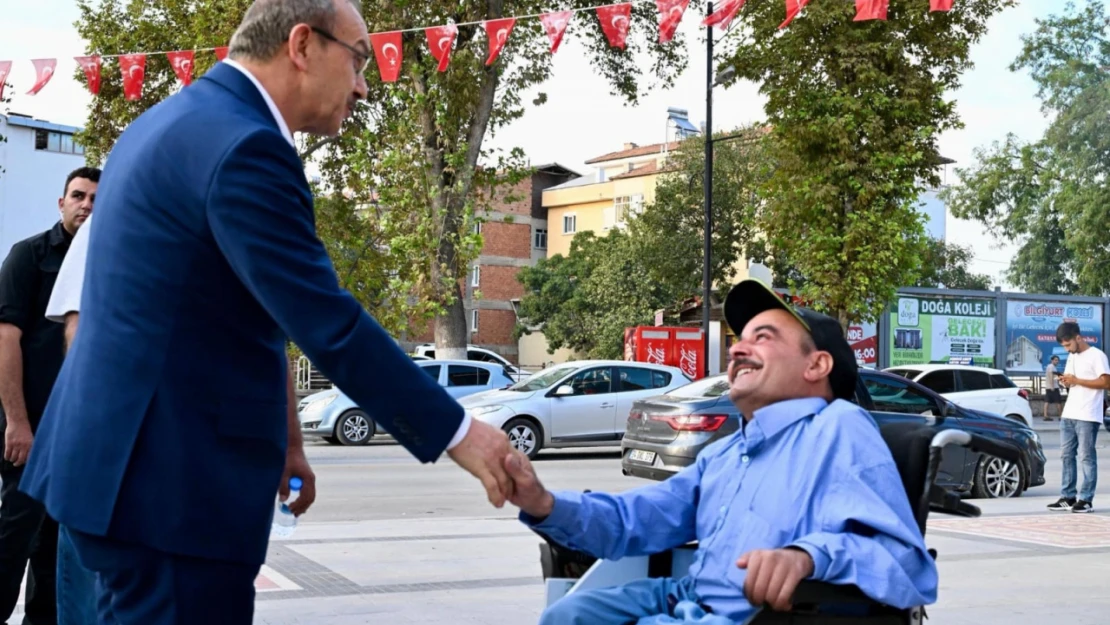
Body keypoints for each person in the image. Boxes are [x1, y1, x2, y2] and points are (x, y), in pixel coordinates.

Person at [19, 1, 514, 623]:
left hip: (117, 472)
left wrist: (285, 442)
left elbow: (231, 318)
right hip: (174, 492)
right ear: (302, 45)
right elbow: (326, 322)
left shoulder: (164, 121)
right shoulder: (247, 147)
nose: (365, 84)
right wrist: (463, 435)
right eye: (359, 59)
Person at [505, 279, 938, 625]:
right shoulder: (725, 453)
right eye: (739, 340)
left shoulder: (837, 428)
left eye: (763, 338)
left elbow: (904, 564)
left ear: (816, 366)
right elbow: (632, 520)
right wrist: (543, 503)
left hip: (759, 613)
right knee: (566, 614)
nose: (736, 349)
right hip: (689, 597)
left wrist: (807, 556)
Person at [0, 166, 98, 625]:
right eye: (78, 196)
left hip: (76, 435)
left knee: (56, 551)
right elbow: (6, 340)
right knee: (12, 536)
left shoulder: (109, 263)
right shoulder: (29, 256)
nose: (87, 205)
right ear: (62, 203)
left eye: (97, 199)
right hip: (31, 429)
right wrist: (18, 423)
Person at [1047, 322, 1110, 513]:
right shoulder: (1072, 357)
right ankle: (1068, 496)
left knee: (1086, 457)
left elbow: (1106, 382)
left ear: (1078, 338)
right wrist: (1067, 381)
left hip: (1088, 413)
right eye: (1064, 346)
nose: (1067, 349)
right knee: (1066, 455)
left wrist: (1076, 380)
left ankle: (1086, 499)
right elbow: (1073, 381)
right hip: (1069, 412)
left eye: (1068, 345)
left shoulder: (1097, 355)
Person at [1044, 355, 1062, 421]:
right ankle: (1060, 416)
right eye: (1055, 360)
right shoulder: (1051, 367)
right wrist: (1052, 386)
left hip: (1050, 386)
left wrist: (1059, 385)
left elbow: (1054, 377)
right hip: (1053, 387)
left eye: (1057, 360)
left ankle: (1046, 415)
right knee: (1058, 402)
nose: (1057, 361)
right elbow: (1051, 376)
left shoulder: (1051, 367)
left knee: (1047, 401)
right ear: (1052, 360)